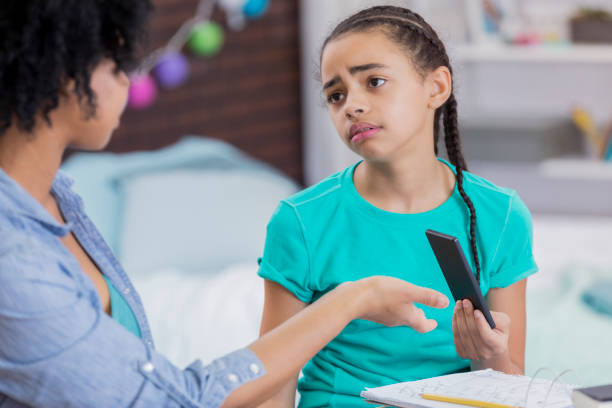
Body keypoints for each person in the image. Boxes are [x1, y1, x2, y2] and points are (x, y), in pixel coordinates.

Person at [0, 1, 451, 407]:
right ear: (61, 69)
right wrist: (350, 301)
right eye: (118, 64)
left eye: (376, 82)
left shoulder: (59, 196)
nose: (130, 77)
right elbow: (172, 401)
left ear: (437, 87)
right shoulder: (14, 263)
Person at [257, 5, 539, 407]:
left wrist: (489, 353)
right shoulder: (300, 221)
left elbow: (508, 389)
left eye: (374, 81)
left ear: (436, 87)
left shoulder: (501, 216)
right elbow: (271, 387)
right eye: (335, 95)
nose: (351, 105)